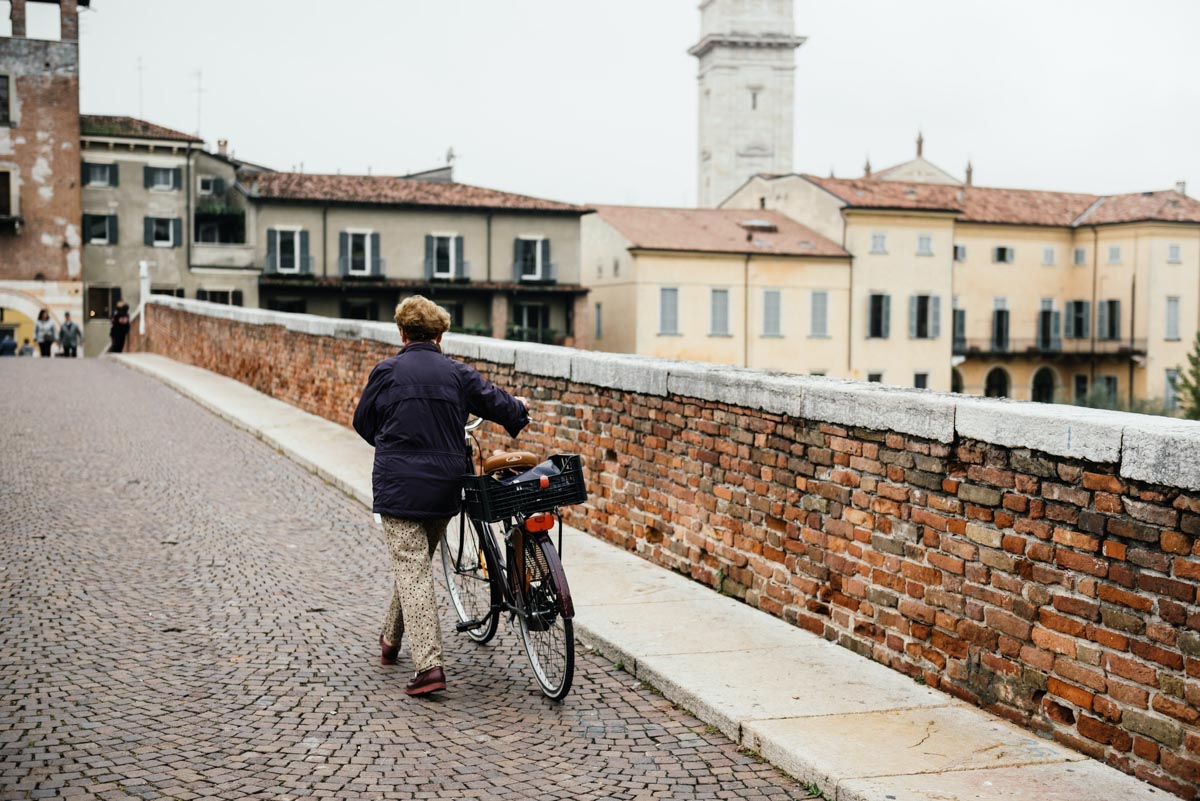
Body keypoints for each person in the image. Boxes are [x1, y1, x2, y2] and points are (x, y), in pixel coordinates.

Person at [353, 295, 528, 696]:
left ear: (401, 332)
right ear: (440, 335)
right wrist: (520, 411)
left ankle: (429, 667)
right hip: (446, 484)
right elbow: (497, 402)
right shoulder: (457, 373)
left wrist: (390, 442)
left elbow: (363, 422)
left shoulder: (386, 371)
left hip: (399, 485)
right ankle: (390, 639)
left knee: (411, 566)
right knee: (414, 564)